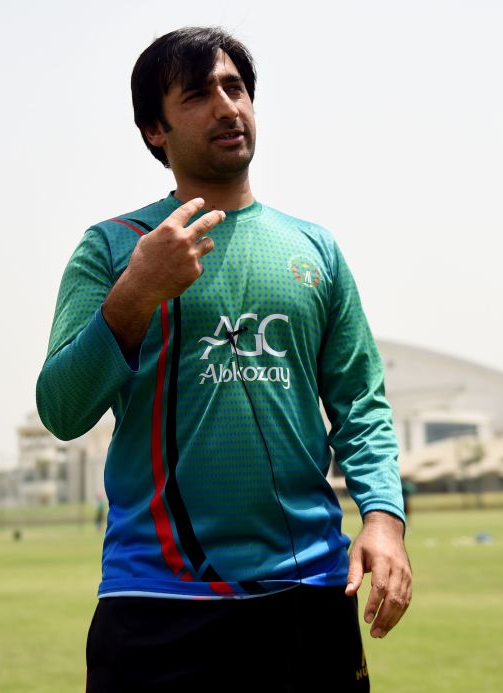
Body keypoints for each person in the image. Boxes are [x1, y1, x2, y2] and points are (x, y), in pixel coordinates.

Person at [36, 27, 411, 691]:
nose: (226, 106)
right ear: (156, 129)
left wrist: (382, 518)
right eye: (198, 95)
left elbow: (361, 402)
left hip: (308, 591)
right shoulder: (114, 247)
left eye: (235, 88)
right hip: (157, 597)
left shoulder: (314, 248)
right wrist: (133, 297)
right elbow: (63, 410)